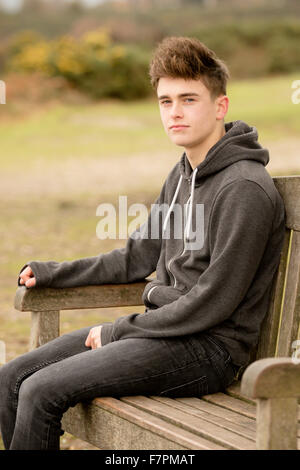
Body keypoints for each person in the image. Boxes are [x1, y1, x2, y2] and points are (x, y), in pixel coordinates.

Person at [0, 36, 285, 450]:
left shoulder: (243, 188)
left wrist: (118, 330)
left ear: (220, 106)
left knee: (40, 391)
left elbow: (212, 302)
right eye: (165, 101)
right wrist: (53, 273)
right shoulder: (184, 171)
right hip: (162, 333)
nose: (175, 113)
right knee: (11, 379)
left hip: (209, 349)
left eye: (188, 99)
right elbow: (137, 257)